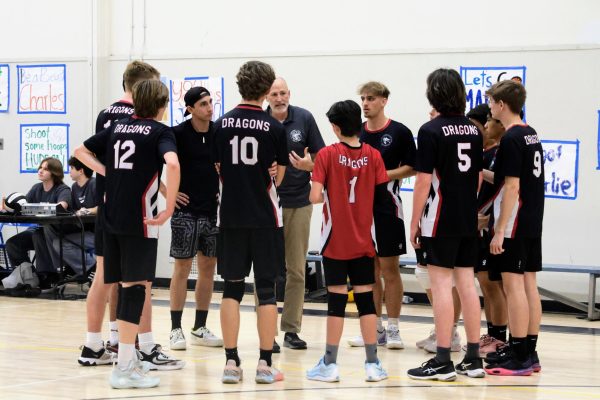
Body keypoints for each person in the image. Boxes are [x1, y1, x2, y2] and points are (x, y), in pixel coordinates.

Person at [75, 78, 181, 388]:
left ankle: (127, 359)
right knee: (135, 288)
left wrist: (109, 171)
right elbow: (172, 165)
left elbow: (80, 150)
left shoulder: (119, 125)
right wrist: (169, 206)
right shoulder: (161, 131)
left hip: (110, 217)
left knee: (123, 285)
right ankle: (123, 367)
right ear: (161, 107)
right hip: (140, 219)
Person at [407, 68, 484, 381]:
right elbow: (477, 177)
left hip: (439, 218)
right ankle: (474, 358)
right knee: (467, 284)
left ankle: (441, 359)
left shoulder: (430, 130)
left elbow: (424, 180)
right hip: (468, 217)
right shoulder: (474, 130)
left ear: (433, 93)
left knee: (441, 285)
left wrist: (414, 222)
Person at [213, 61, 287, 384]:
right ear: (266, 89)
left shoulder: (221, 124)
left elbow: (218, 168)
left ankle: (231, 362)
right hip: (265, 218)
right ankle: (265, 364)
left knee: (231, 289)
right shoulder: (274, 128)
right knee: (267, 290)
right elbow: (279, 177)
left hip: (230, 216)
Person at [305, 100, 389, 383]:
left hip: (334, 242)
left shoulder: (327, 155)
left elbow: (315, 197)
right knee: (367, 302)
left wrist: (319, 178)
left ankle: (330, 364)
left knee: (336, 303)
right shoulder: (374, 155)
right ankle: (372, 363)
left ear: (335, 127)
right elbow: (380, 196)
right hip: (364, 240)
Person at [347, 81, 416, 350]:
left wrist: (384, 175)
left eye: (371, 98)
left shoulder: (399, 132)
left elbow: (413, 166)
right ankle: (374, 328)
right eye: (363, 99)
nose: (365, 103)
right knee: (370, 271)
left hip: (388, 209)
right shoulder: (356, 133)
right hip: (360, 212)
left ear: (384, 101)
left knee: (390, 269)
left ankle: (394, 327)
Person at [483, 80, 544, 376]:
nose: (490, 108)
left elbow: (512, 186)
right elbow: (510, 177)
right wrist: (480, 172)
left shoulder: (510, 138)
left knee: (514, 286)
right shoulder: (530, 133)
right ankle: (529, 352)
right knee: (529, 285)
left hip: (516, 223)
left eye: (491, 102)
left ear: (501, 105)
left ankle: (519, 355)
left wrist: (499, 229)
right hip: (533, 220)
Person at [265, 77, 325, 350]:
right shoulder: (260, 122)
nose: (279, 98)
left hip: (299, 203)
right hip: (266, 205)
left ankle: (291, 330)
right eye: (274, 94)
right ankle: (268, 334)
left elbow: (322, 158)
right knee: (267, 271)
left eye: (283, 93)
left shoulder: (304, 118)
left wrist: (307, 165)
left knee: (296, 270)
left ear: (290, 93)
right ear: (266, 97)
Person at [168, 86, 223, 350]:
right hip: (185, 212)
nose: (209, 108)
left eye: (211, 102)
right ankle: (175, 328)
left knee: (207, 269)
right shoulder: (177, 134)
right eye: (203, 104)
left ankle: (199, 327)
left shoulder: (218, 133)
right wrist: (170, 192)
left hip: (211, 211)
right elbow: (155, 169)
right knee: (181, 268)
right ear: (190, 109)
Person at [5, 157, 71, 288]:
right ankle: (29, 275)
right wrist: (8, 206)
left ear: (54, 172)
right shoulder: (36, 188)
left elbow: (61, 206)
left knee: (38, 235)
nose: (40, 171)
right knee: (12, 243)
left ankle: (47, 275)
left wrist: (39, 208)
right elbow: (24, 207)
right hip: (37, 229)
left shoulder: (63, 189)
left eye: (45, 169)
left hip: (56, 232)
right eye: (40, 168)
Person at [475, 111, 509, 356]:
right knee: (486, 284)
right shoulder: (484, 154)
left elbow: (500, 182)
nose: (485, 128)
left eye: (487, 123)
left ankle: (500, 336)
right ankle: (492, 333)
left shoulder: (500, 152)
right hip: (478, 225)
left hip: (491, 224)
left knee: (493, 283)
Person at [50, 156, 97, 276]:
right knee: (56, 241)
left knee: (60, 244)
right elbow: (75, 210)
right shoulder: (74, 188)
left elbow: (104, 207)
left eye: (71, 168)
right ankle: (87, 268)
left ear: (81, 171)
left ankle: (92, 269)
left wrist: (87, 211)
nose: (69, 171)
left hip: (99, 234)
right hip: (83, 231)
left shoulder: (94, 184)